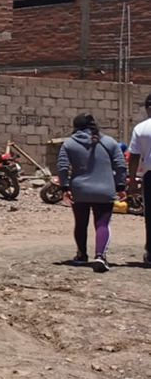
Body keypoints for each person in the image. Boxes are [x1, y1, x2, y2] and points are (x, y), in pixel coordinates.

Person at [58, 113, 128, 273]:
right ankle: (100, 256)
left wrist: (65, 188)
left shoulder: (68, 144)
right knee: (102, 224)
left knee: (81, 223)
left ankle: (82, 255)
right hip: (105, 190)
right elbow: (120, 165)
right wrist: (121, 186)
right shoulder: (109, 142)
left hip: (80, 190)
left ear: (75, 127)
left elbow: (62, 167)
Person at [126, 93, 151, 266]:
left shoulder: (141, 128)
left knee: (150, 216)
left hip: (150, 176)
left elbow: (133, 156)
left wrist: (133, 181)